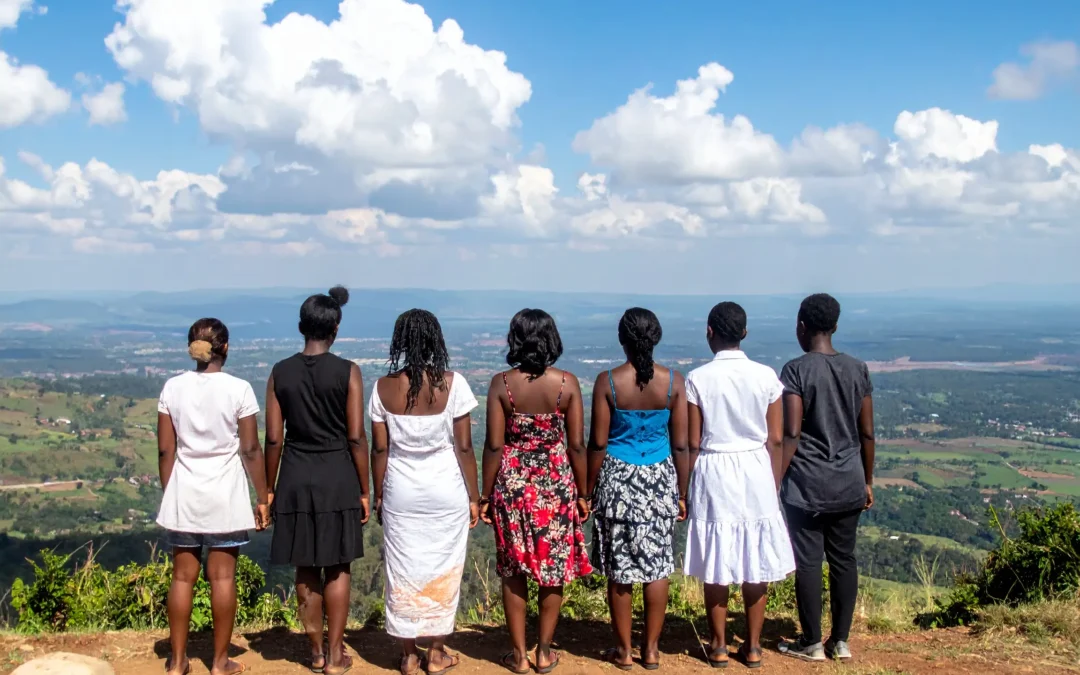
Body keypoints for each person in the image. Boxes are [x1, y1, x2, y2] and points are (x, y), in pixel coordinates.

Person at [683, 302, 795, 669]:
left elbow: (694, 441)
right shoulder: (766, 377)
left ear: (709, 333)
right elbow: (776, 438)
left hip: (714, 467)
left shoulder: (698, 379)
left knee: (718, 558)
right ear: (744, 333)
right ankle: (754, 646)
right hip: (756, 467)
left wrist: (687, 486)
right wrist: (773, 480)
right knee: (754, 558)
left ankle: (717, 645)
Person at [265, 286, 370, 675]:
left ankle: (314, 652)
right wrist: (364, 489)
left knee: (305, 566)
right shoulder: (348, 372)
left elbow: (274, 437)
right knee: (338, 565)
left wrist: (269, 488)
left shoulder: (280, 372)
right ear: (336, 329)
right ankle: (337, 654)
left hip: (294, 472)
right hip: (337, 474)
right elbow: (356, 436)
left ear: (300, 327)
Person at [479, 309, 591, 675]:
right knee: (552, 569)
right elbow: (577, 446)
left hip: (512, 485)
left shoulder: (502, 384)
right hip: (556, 484)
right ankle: (544, 651)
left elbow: (494, 446)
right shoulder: (566, 384)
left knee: (513, 569)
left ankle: (518, 655)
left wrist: (485, 494)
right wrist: (583, 492)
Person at [369, 309, 481, 675]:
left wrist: (379, 494)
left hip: (400, 488)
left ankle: (408, 655)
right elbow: (464, 448)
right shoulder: (453, 384)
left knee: (402, 568)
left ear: (399, 341)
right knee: (444, 565)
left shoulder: (383, 387)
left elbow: (380, 450)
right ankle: (436, 652)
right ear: (436, 339)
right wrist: (474, 497)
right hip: (445, 489)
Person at [157, 318, 270, 675]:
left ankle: (176, 662)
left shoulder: (172, 388)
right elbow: (251, 449)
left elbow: (165, 452)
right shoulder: (239, 389)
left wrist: (169, 493)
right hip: (225, 494)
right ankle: (219, 662)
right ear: (226, 348)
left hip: (184, 492)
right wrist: (264, 495)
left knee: (181, 578)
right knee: (222, 578)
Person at [586, 308, 689, 670]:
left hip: (618, 479)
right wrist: (682, 493)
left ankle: (624, 650)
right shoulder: (674, 383)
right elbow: (681, 446)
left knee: (620, 569)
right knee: (657, 565)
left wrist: (588, 489)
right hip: (659, 478)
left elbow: (597, 444)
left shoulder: (608, 382)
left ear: (622, 339)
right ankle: (652, 650)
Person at [778, 293, 875, 663]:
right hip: (849, 480)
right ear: (835, 326)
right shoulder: (858, 369)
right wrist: (867, 480)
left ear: (801, 326)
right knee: (844, 559)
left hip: (807, 483)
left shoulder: (796, 370)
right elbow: (866, 433)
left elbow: (791, 433)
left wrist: (776, 481)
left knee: (808, 561)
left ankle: (812, 642)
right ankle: (842, 641)